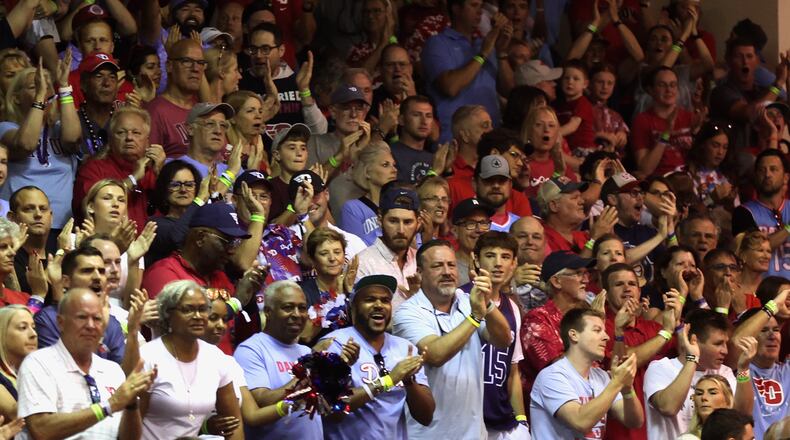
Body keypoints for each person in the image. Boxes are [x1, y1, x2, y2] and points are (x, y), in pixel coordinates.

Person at [392, 239, 512, 440]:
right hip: (427, 435)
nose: (447, 272)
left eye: (451, 265)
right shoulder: (408, 312)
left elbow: (503, 340)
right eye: (438, 266)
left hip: (474, 433)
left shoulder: (466, 300)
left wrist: (488, 303)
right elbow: (435, 354)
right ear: (420, 273)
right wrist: (474, 317)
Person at [16, 288, 155, 440]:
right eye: (82, 317)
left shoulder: (113, 370)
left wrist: (131, 402)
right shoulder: (38, 363)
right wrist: (110, 405)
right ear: (60, 323)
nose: (90, 325)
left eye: (97, 319)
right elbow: (41, 430)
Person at [321, 274, 435, 438]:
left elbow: (426, 417)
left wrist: (409, 382)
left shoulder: (405, 348)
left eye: (385, 300)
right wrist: (389, 380)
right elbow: (332, 410)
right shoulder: (334, 344)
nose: (379, 305)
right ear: (353, 308)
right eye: (370, 299)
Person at [139, 280, 242, 439]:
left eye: (203, 309)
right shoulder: (148, 356)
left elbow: (234, 423)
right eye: (188, 310)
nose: (198, 316)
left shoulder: (216, 358)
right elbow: (132, 422)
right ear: (168, 314)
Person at [530, 308, 643, 439]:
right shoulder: (551, 376)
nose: (606, 337)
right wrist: (617, 382)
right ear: (574, 335)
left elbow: (634, 421)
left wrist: (627, 389)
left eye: (605, 331)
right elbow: (580, 422)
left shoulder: (601, 377)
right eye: (597, 330)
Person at [643, 309, 755, 440]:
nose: (725, 351)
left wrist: (743, 369)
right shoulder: (661, 368)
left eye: (725, 343)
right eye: (718, 344)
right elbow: (668, 407)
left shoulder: (725, 372)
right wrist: (692, 359)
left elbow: (743, 415)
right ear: (693, 340)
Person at [233, 281, 324, 439]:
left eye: (302, 308)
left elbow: (325, 408)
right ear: (268, 311)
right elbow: (261, 402)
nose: (296, 314)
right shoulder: (251, 349)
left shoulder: (306, 351)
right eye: (288, 307)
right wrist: (303, 377)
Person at [461, 231, 529, 438]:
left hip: (501, 421)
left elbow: (513, 371)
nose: (498, 263)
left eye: (505, 257)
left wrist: (521, 420)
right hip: (464, 417)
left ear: (514, 263)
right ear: (476, 259)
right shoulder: (459, 298)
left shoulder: (513, 308)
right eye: (490, 256)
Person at [0, 60, 81, 233]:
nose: (44, 90)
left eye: (46, 86)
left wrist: (65, 86)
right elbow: (25, 144)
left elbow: (73, 139)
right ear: (16, 97)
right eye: (34, 86)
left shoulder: (59, 128)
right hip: (19, 226)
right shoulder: (6, 128)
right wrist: (40, 98)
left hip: (61, 224)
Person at [421, 0, 512, 143]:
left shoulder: (484, 43)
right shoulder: (437, 43)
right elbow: (450, 87)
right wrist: (483, 54)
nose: (480, 11)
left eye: (481, 6)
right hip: (455, 140)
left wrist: (501, 52)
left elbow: (509, 92)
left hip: (491, 139)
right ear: (456, 8)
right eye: (474, 5)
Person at [73, 106, 166, 230]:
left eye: (136, 133)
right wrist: (133, 179)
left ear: (147, 141)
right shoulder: (93, 169)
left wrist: (161, 174)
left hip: (153, 245)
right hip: (107, 244)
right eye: (121, 132)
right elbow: (88, 207)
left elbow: (174, 211)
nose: (129, 138)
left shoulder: (155, 170)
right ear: (110, 140)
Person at [33, 246, 127, 366]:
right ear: (66, 281)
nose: (97, 277)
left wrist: (133, 332)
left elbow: (122, 374)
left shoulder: (112, 323)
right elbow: (64, 370)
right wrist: (100, 332)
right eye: (87, 271)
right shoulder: (47, 319)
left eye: (101, 271)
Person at [520, 250, 595, 398]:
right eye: (578, 273)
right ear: (556, 281)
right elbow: (560, 370)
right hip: (552, 411)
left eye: (586, 274)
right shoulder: (537, 320)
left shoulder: (587, 317)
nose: (586, 280)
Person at [238, 23, 326, 143]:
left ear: (281, 50)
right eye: (253, 49)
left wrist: (304, 90)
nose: (258, 55)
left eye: (265, 49)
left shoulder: (298, 82)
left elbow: (320, 131)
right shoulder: (240, 83)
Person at [354, 187, 421, 311]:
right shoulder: (363, 263)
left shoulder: (423, 261)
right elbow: (362, 316)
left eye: (408, 222)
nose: (401, 230)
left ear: (419, 222)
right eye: (393, 221)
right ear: (380, 219)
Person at [729, 306, 790, 439]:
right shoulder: (736, 371)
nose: (772, 336)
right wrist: (774, 304)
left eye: (776, 330)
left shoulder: (788, 371)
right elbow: (737, 340)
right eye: (763, 330)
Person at [732, 150, 790, 278]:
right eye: (762, 170)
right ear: (755, 176)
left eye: (773, 169)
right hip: (761, 293)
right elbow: (753, 250)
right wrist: (788, 229)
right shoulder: (743, 212)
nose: (767, 174)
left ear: (786, 178)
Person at [630, 66, 694, 178]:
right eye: (662, 85)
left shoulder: (689, 117)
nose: (669, 90)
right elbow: (645, 169)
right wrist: (666, 133)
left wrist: (698, 131)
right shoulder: (642, 121)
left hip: (688, 180)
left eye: (673, 85)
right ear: (651, 90)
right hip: (660, 181)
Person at [144, 39, 203, 158]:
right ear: (169, 66)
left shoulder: (202, 110)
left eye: (200, 62)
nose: (195, 68)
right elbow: (149, 166)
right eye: (187, 61)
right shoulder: (155, 111)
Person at [146, 160, 206, 267]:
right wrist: (199, 200)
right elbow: (177, 238)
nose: (183, 190)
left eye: (189, 185)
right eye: (175, 185)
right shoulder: (155, 225)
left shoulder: (201, 224)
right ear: (164, 189)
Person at [298, 228, 352, 346]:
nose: (332, 258)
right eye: (324, 253)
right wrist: (334, 296)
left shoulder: (353, 291)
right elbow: (305, 335)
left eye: (337, 252)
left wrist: (350, 295)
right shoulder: (300, 292)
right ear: (312, 260)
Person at [339, 142, 397, 245]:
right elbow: (355, 251)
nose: (394, 170)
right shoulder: (352, 209)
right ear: (367, 172)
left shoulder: (400, 206)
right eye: (385, 165)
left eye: (394, 165)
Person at [7, 187, 55, 296]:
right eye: (29, 209)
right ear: (12, 217)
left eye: (43, 209)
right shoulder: (6, 257)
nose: (38, 214)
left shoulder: (62, 248)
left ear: (51, 216)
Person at [174, 102, 239, 179]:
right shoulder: (176, 169)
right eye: (210, 124)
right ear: (190, 129)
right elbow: (215, 192)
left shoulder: (235, 169)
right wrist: (230, 174)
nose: (218, 131)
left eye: (223, 125)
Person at [0, 305, 37, 422]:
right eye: (23, 328)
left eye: (33, 327)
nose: (33, 334)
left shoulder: (36, 371)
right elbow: (20, 416)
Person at [390, 95, 436, 184]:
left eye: (428, 116)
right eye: (416, 115)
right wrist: (435, 171)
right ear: (401, 120)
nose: (424, 121)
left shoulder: (434, 158)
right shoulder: (390, 154)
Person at [677, 374, 736, 440]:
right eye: (699, 393)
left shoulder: (744, 432)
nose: (704, 398)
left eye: (712, 393)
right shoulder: (687, 439)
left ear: (728, 400)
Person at [452, 197, 495, 286]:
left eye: (484, 223)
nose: (479, 230)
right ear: (455, 231)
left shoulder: (499, 264)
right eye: (471, 223)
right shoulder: (448, 268)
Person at [474, 155, 520, 232]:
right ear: (475, 183)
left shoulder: (520, 225)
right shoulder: (467, 225)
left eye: (502, 180)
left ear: (510, 185)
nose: (496, 185)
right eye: (489, 180)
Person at [510, 216, 547, 311]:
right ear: (509, 240)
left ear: (545, 243)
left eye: (536, 237)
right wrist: (510, 281)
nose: (530, 242)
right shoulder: (495, 272)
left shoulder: (556, 274)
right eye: (522, 236)